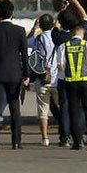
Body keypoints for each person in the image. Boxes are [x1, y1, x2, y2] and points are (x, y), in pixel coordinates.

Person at [0, 0, 29, 150]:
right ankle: (16, 141)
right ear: (12, 13)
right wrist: (26, 74)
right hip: (15, 74)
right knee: (15, 109)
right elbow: (24, 55)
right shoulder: (20, 31)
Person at [52, 17, 87, 150]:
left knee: (74, 112)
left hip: (70, 83)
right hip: (86, 82)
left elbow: (60, 66)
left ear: (72, 33)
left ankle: (77, 141)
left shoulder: (63, 46)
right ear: (82, 32)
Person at [27, 13, 58, 146]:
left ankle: (45, 137)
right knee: (62, 107)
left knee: (43, 110)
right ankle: (66, 135)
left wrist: (34, 28)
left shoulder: (38, 39)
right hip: (57, 78)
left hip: (42, 78)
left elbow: (26, 41)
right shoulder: (58, 38)